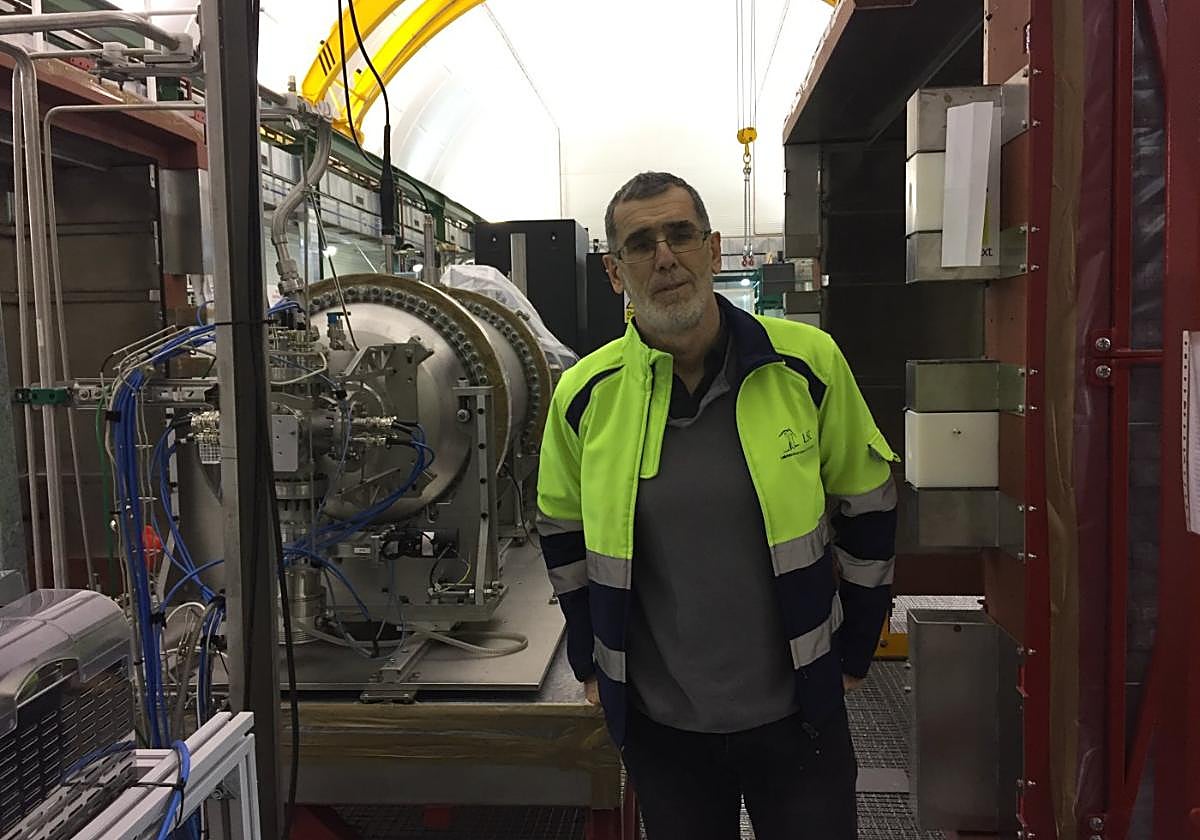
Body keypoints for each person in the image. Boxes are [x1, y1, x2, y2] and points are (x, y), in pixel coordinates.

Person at [537, 171, 898, 840]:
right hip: (662, 727)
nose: (665, 257)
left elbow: (869, 504)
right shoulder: (584, 396)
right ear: (616, 273)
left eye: (680, 235)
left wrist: (854, 649)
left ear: (714, 248)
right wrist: (589, 660)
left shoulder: (805, 365)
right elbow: (563, 535)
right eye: (641, 244)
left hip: (800, 717)